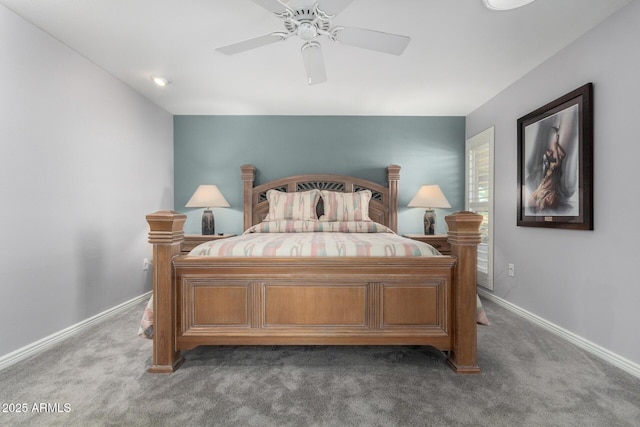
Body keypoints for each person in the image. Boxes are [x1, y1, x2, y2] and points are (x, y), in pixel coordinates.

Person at [528, 127, 566, 212]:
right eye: (549, 152)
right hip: (553, 177)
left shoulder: (552, 162)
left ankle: (556, 137)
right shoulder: (551, 164)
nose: (550, 152)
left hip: (553, 176)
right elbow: (558, 163)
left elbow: (562, 156)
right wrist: (556, 146)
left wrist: (557, 145)